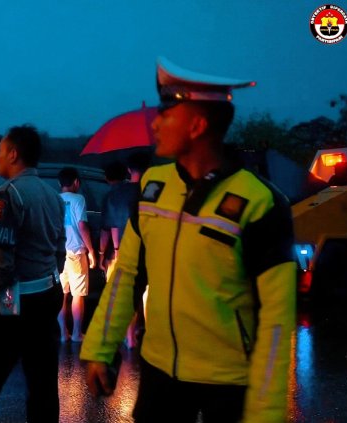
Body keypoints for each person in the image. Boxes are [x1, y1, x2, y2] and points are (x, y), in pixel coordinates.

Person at [81, 57, 296, 423]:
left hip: (230, 383)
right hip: (159, 372)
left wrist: (266, 414)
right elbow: (128, 275)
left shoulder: (260, 203)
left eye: (168, 111)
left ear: (197, 125)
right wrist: (100, 348)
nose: (157, 121)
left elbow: (277, 319)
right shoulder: (152, 187)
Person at [0, 125, 66, 423]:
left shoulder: (8, 194)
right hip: (48, 293)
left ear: (14, 154)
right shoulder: (53, 194)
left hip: (15, 298)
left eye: (0, 151)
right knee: (42, 385)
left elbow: (0, 266)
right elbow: (60, 250)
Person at [99, 152, 150, 349]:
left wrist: (109, 252)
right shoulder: (153, 191)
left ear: (129, 169)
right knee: (147, 295)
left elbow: (111, 226)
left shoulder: (116, 193)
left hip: (121, 251)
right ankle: (147, 335)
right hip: (148, 252)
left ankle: (129, 338)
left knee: (125, 295)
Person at [57, 166, 96, 343]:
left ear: (59, 183)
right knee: (77, 294)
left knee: (62, 294)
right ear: (76, 182)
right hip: (75, 251)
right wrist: (92, 251)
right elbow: (82, 226)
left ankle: (63, 334)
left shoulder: (54, 199)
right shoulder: (78, 199)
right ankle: (77, 333)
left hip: (58, 253)